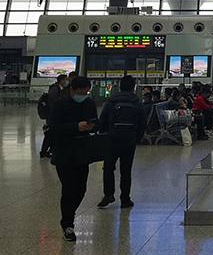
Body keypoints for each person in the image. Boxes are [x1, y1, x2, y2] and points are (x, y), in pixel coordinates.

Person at [49, 76, 98, 242]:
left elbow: (94, 120)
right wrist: (76, 126)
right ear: (72, 90)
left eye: (86, 92)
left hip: (82, 153)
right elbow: (54, 128)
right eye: (80, 92)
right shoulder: (59, 104)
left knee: (81, 189)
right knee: (69, 189)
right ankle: (68, 224)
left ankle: (69, 214)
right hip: (64, 153)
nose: (83, 95)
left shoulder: (89, 103)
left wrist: (92, 125)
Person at [97, 75, 145, 209]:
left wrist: (104, 136)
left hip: (111, 140)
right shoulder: (137, 102)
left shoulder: (111, 101)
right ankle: (125, 199)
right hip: (129, 141)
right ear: (133, 87)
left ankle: (108, 195)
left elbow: (103, 120)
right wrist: (137, 139)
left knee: (108, 168)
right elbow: (143, 123)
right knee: (126, 170)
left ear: (120, 86)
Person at [40, 74, 69, 158]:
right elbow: (53, 103)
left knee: (52, 134)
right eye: (65, 80)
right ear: (61, 80)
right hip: (52, 115)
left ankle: (49, 151)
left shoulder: (61, 89)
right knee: (50, 134)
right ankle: (44, 151)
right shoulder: (54, 89)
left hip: (55, 115)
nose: (67, 81)